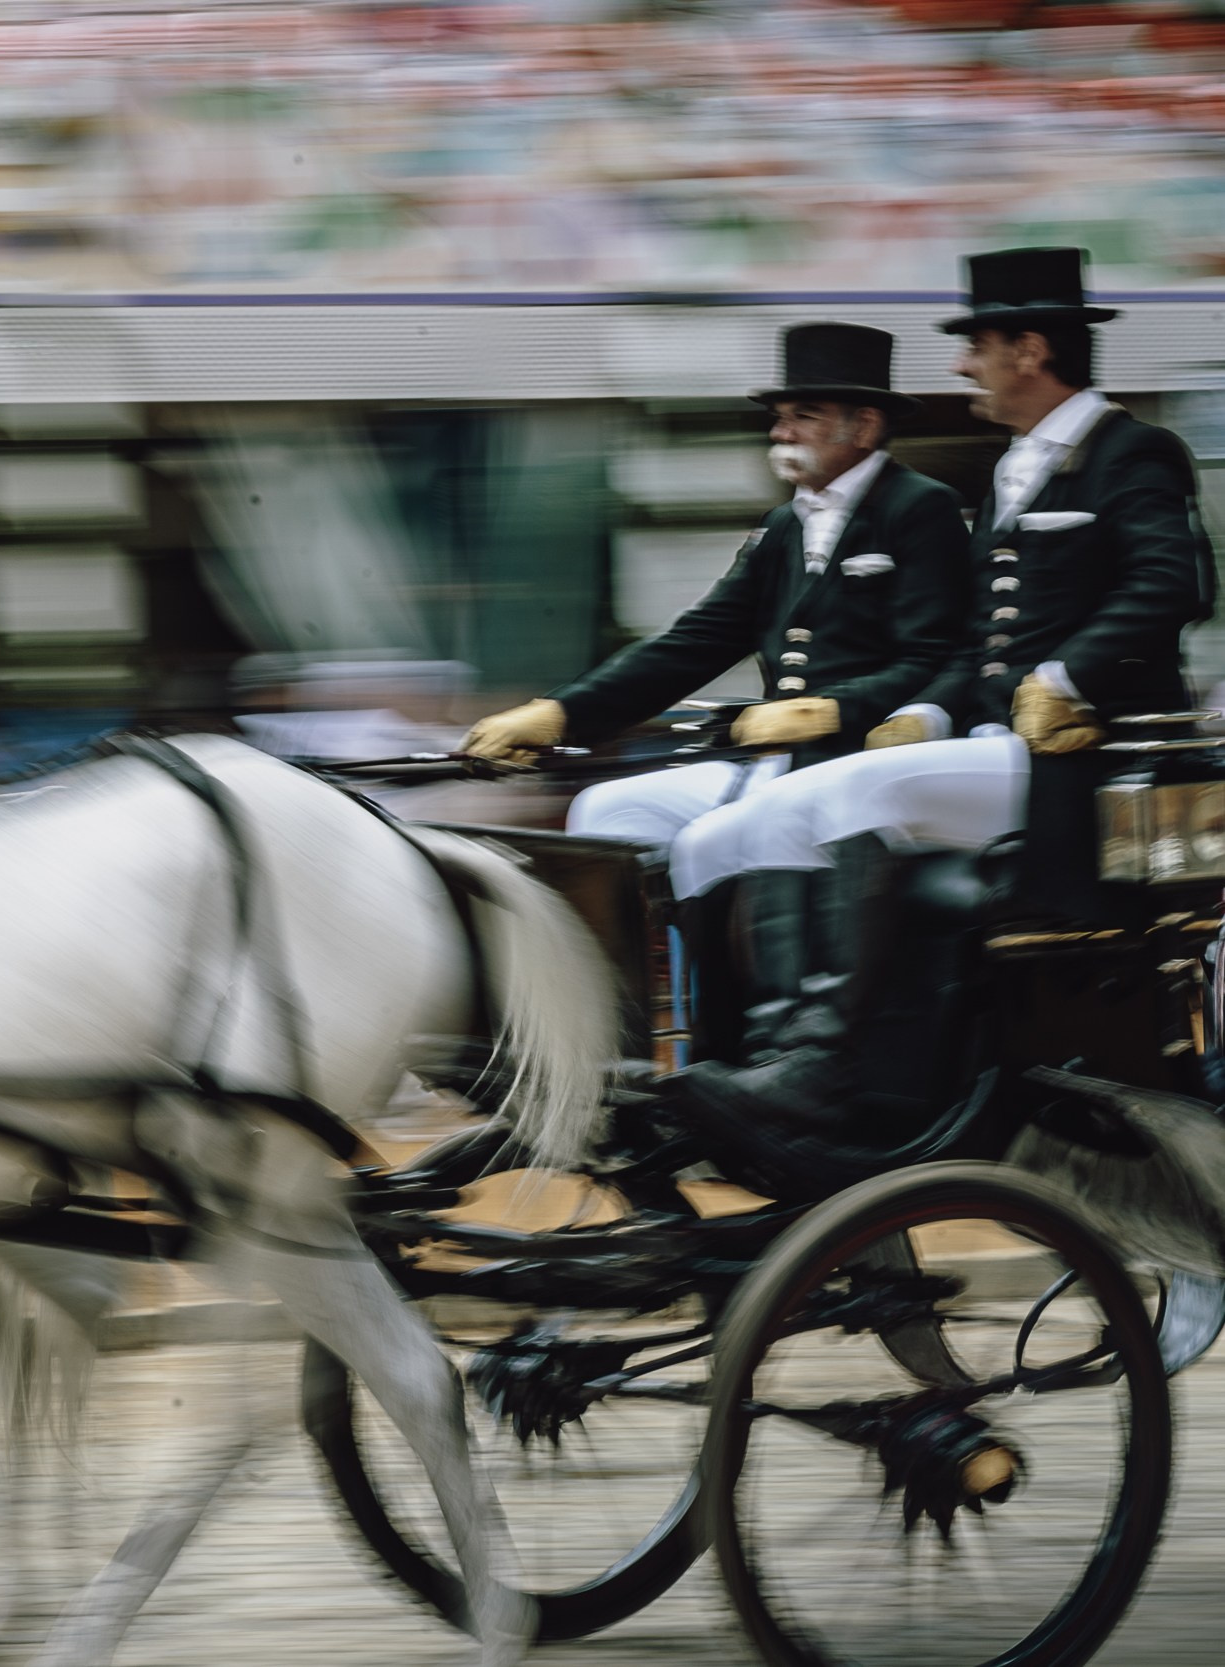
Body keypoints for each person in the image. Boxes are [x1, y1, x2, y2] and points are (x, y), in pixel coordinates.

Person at [678, 247, 1216, 1127]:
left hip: (1088, 764)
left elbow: (1173, 585)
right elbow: (981, 639)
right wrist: (923, 710)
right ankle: (755, 1052)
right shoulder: (1016, 465)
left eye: (978, 345)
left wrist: (1066, 676)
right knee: (777, 810)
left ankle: (826, 1068)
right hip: (997, 746)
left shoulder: (1132, 451)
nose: (964, 364)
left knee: (848, 789)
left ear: (1030, 352)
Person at [460, 321, 969, 1041]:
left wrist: (832, 710)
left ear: (865, 424)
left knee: (721, 838)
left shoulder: (920, 509)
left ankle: (752, 1043)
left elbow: (939, 655)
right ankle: (617, 1044)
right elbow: (693, 642)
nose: (782, 430)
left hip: (864, 761)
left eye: (803, 416)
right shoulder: (782, 527)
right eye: (779, 416)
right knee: (609, 812)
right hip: (778, 759)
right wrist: (557, 715)